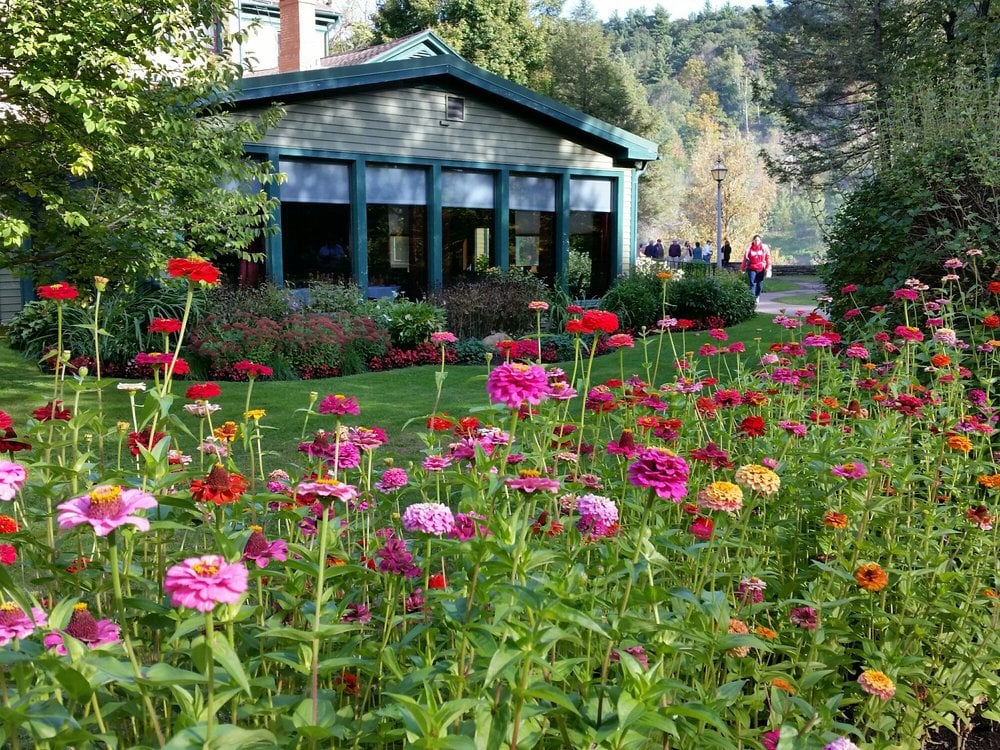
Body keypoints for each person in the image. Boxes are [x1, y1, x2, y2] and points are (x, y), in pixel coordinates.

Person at [740, 234, 772, 304]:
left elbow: (768, 258)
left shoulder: (764, 248)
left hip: (761, 268)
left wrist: (768, 267)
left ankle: (757, 296)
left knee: (759, 285)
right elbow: (745, 259)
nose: (756, 242)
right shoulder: (749, 248)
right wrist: (742, 268)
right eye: (755, 240)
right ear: (753, 241)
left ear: (760, 241)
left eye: (758, 240)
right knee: (752, 284)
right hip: (751, 268)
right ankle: (752, 298)